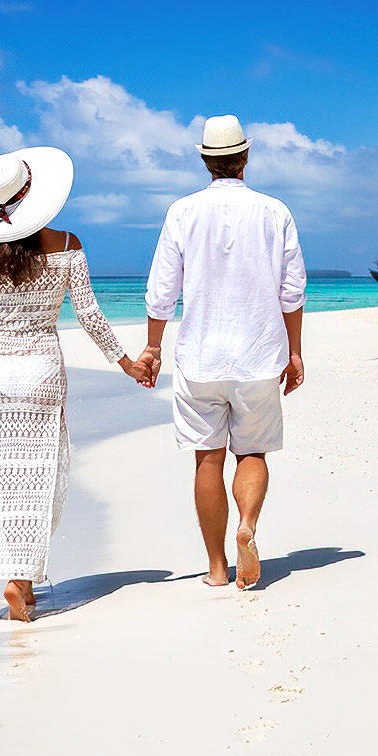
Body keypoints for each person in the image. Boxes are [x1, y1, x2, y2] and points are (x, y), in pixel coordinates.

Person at [0, 146, 154, 621]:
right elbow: (89, 317)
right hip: (44, 370)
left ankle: (17, 581)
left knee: (2, 480)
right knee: (42, 478)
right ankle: (22, 579)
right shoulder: (67, 244)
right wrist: (128, 362)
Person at [143, 116, 306, 591]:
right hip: (259, 353)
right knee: (252, 451)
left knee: (207, 459)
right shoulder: (275, 211)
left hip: (199, 358)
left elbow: (161, 290)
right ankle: (248, 527)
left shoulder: (182, 211)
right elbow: (291, 291)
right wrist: (294, 352)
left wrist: (153, 346)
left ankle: (216, 568)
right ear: (246, 156)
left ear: (204, 160)